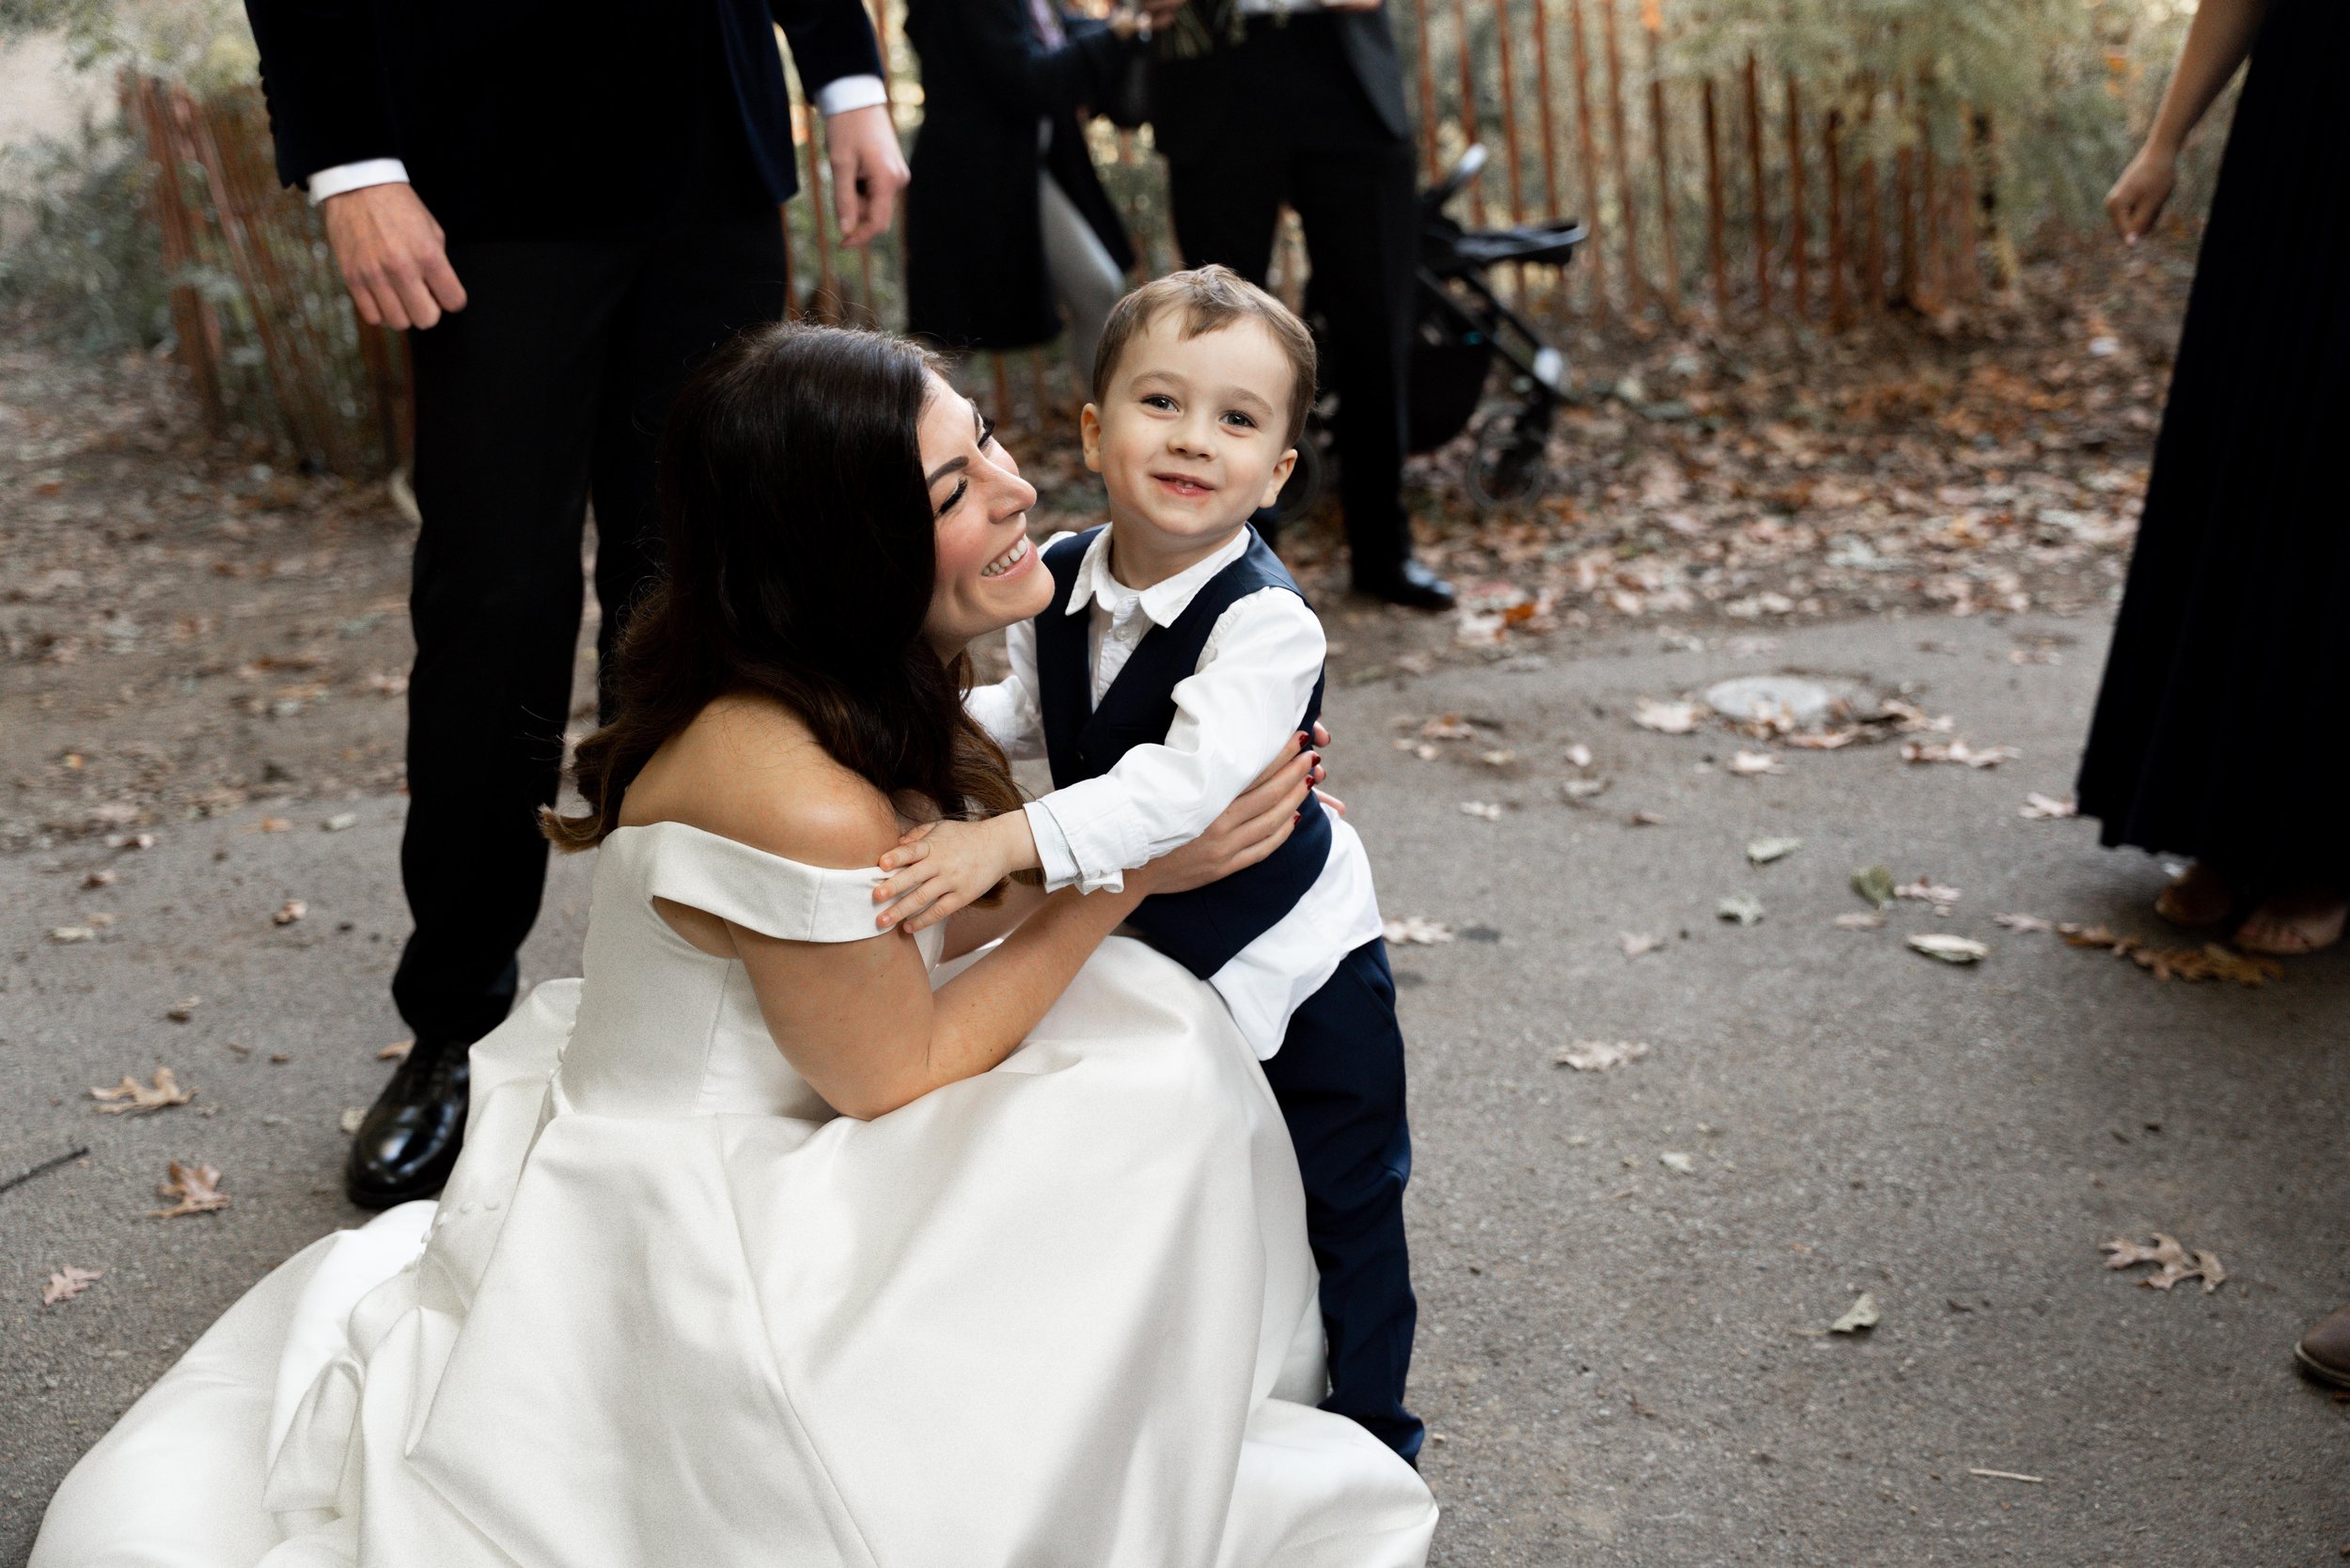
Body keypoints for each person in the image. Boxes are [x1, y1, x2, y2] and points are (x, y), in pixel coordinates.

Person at [29, 325, 1438, 1566]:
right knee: (1147, 1082)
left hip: (807, 1069)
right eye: (954, 490)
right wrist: (1131, 877)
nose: (1019, 491)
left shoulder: (853, 679)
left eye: (988, 442)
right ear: (849, 553)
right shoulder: (795, 788)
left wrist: (1082, 857)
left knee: (1143, 1039)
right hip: (711, 1197)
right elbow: (894, 1070)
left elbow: (933, 911)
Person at [239, 0, 912, 1208]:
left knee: (708, 591)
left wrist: (846, 75)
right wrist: (352, 160)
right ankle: (454, 1025)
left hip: (708, 144)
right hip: (483, 155)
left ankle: (682, 1000)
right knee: (493, 602)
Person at [870, 267, 1424, 1464]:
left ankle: (1374, 1430)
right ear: (1093, 430)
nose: (1192, 438)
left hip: (1287, 949)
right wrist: (928, 736)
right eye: (1161, 402)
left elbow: (1181, 788)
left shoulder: (1266, 622)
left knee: (1346, 1189)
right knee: (1160, 1170)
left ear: (1277, 472)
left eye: (1237, 419)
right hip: (1140, 928)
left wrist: (1002, 840)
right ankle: (1162, 1409)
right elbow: (1033, 713)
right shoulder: (1059, 576)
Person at [2077, 0, 2347, 959]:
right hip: (2300, 130)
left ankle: (2326, 850)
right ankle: (2223, 825)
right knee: (2252, 444)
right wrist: (2164, 141)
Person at [1139, 0, 1454, 611]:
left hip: (1343, 70)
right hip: (1217, 75)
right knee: (1218, 337)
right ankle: (1237, 568)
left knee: (1376, 326)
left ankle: (1384, 553)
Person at [902, 0, 1145, 379]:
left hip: (1024, 175)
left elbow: (1055, 29)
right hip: (968, 184)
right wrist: (1113, 37)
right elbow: (1028, 80)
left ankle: (1105, 417)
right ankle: (924, 418)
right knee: (950, 338)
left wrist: (1123, 23)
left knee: (1096, 286)